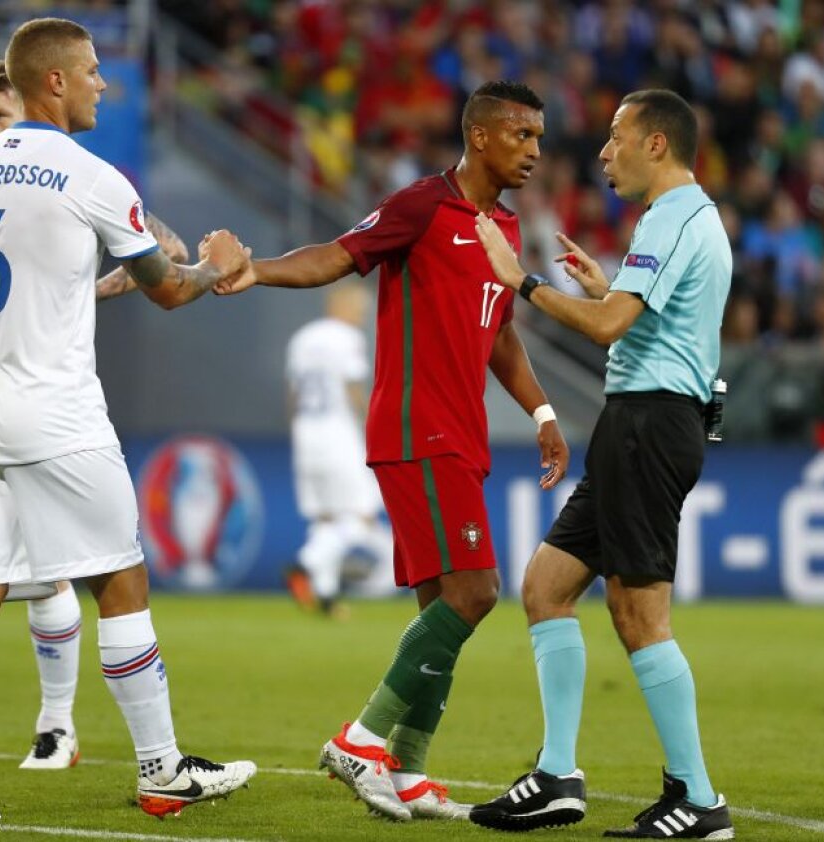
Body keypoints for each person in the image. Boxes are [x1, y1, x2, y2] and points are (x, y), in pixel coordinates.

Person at [0, 17, 255, 822]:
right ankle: (160, 771)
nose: (101, 84)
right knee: (119, 577)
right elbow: (169, 288)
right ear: (53, 82)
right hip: (58, 412)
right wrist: (215, 263)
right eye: (90, 72)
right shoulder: (93, 177)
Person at [216, 80, 569, 822]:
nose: (535, 150)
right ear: (479, 136)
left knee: (442, 602)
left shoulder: (501, 226)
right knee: (477, 593)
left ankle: (406, 771)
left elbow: (499, 331)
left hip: (460, 434)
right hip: (416, 429)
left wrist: (539, 408)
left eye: (539, 136)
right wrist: (260, 271)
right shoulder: (422, 207)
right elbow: (340, 255)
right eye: (521, 134)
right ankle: (361, 738)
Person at [467, 88, 734, 839]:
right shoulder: (684, 221)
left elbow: (611, 327)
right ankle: (557, 775)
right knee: (546, 586)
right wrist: (602, 289)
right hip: (641, 421)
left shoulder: (676, 216)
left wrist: (517, 278)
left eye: (617, 138)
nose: (604, 152)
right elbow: (636, 319)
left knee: (639, 615)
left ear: (657, 145)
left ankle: (700, 797)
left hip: (650, 426)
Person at [284, 282, 396, 617]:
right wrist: (372, 430)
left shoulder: (301, 338)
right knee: (361, 514)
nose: (362, 316)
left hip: (305, 431)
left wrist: (297, 432)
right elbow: (352, 388)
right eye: (360, 309)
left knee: (326, 517)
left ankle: (326, 597)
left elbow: (291, 395)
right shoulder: (347, 338)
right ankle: (305, 563)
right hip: (338, 431)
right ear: (343, 306)